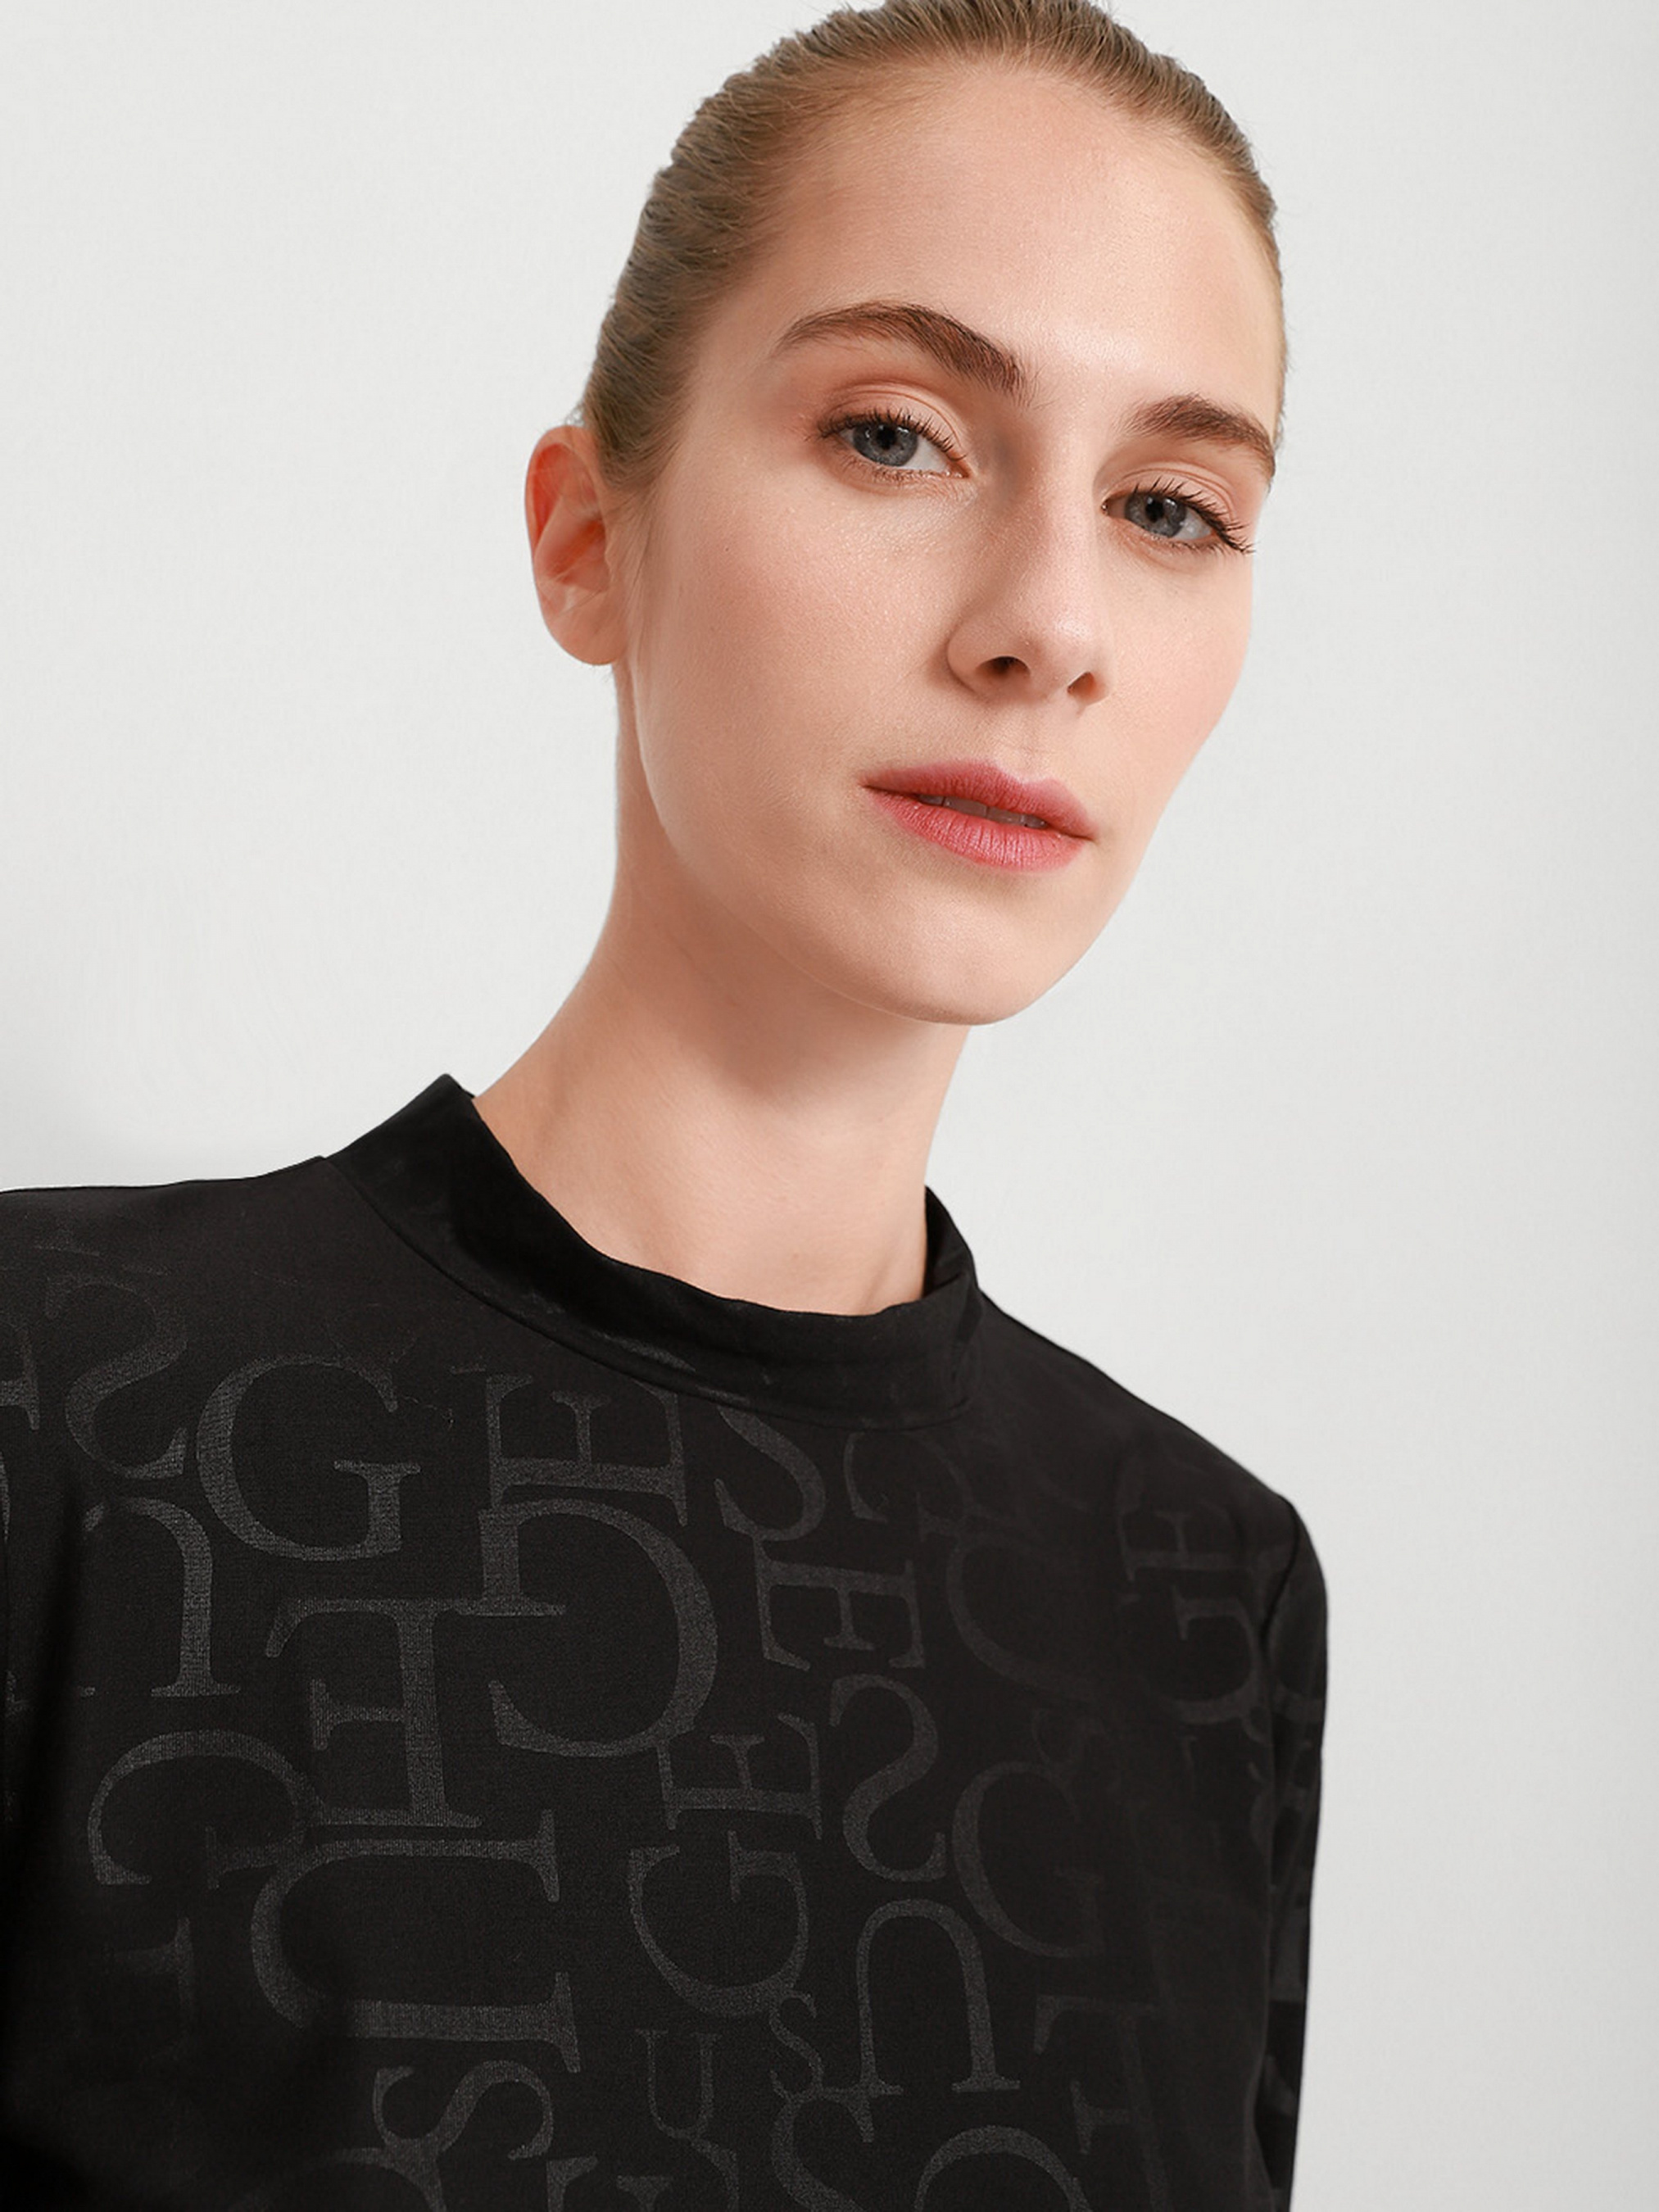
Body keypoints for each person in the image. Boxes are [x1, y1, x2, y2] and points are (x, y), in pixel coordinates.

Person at [0, 1, 1326, 2204]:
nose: (1049, 623)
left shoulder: (1206, 1596)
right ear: (587, 537)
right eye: (898, 436)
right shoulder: (63, 1405)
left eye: (1170, 506)